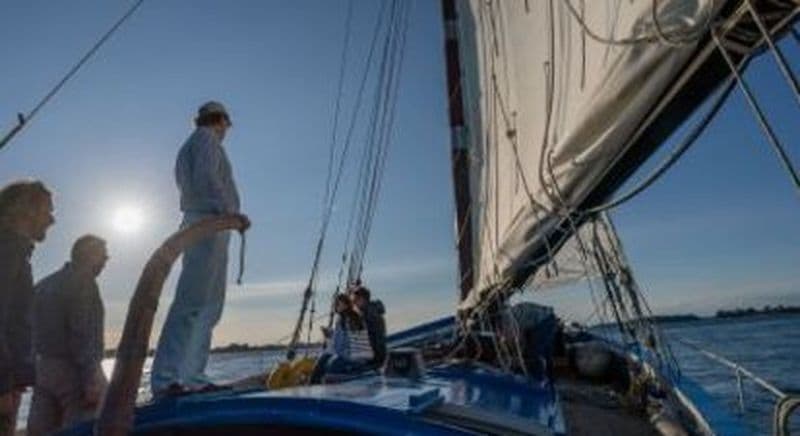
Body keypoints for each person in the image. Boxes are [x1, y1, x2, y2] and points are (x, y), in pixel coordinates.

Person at [151, 101, 250, 397]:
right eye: (226, 125)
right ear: (219, 121)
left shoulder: (192, 144)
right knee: (193, 302)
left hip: (211, 224)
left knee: (208, 306)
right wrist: (228, 214)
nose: (226, 131)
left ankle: (191, 375)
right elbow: (207, 179)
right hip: (210, 222)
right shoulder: (205, 140)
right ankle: (166, 379)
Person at [27, 236, 109, 435]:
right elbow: (82, 332)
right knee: (83, 427)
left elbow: (26, 328)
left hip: (42, 370)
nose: (106, 260)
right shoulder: (83, 282)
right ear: (91, 255)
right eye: (104, 256)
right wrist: (92, 377)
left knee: (41, 429)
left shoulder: (43, 285)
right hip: (73, 370)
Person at [0, 180, 54, 436]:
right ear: (26, 210)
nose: (51, 220)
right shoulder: (7, 251)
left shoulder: (15, 252)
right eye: (47, 211)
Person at [310, 294, 373, 384]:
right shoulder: (347, 317)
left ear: (347, 305)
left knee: (328, 362)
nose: (338, 307)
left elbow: (345, 342)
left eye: (340, 304)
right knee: (324, 359)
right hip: (353, 353)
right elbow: (343, 337)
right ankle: (314, 385)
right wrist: (331, 334)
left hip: (356, 355)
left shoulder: (347, 318)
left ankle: (316, 384)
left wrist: (331, 350)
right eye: (337, 304)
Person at [350, 285, 387, 369]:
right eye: (353, 300)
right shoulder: (368, 312)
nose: (354, 303)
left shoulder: (370, 315)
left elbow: (375, 339)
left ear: (363, 299)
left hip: (375, 360)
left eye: (355, 300)